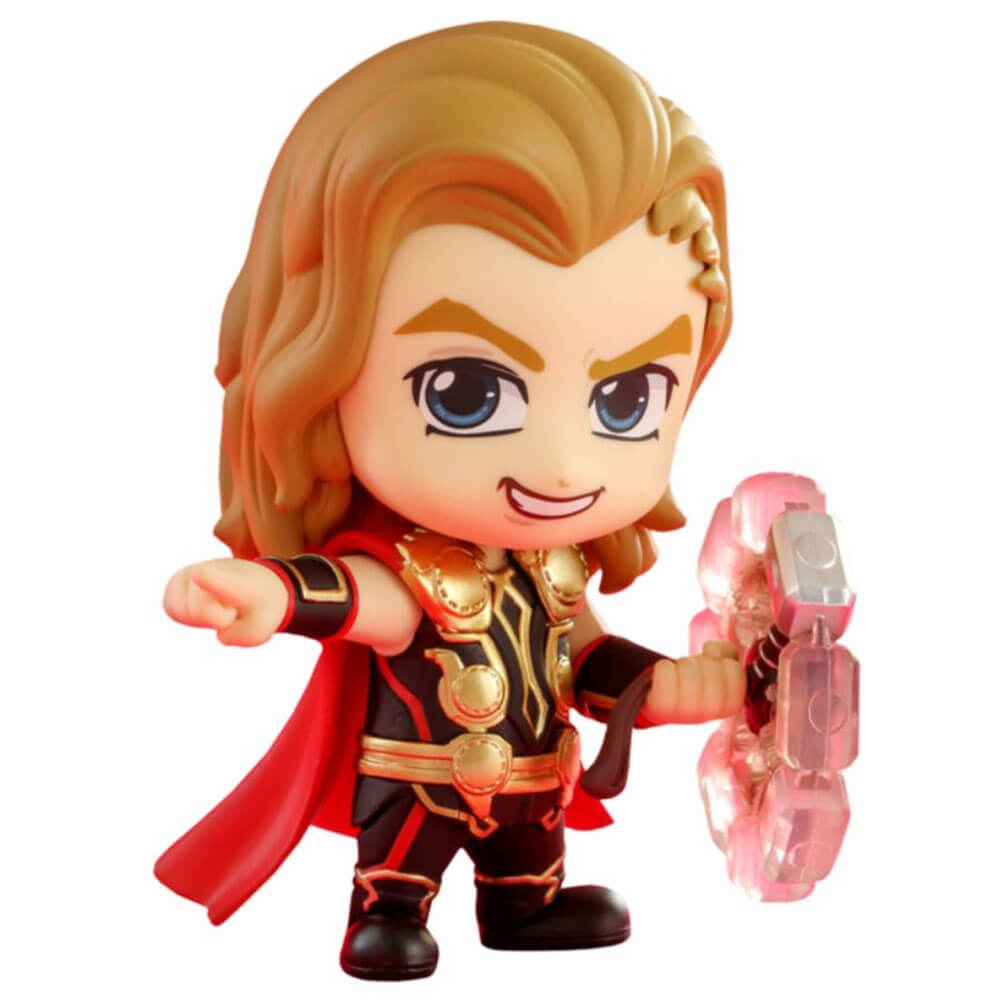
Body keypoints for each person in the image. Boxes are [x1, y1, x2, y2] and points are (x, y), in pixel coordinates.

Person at [155, 21, 744, 981]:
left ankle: (525, 906)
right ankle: (389, 908)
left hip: (534, 783)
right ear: (321, 374)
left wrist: (668, 687)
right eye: (465, 392)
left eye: (627, 400)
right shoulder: (416, 567)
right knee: (402, 861)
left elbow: (583, 658)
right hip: (421, 777)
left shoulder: (558, 568)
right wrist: (270, 592)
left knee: (530, 858)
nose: (562, 464)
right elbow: (358, 597)